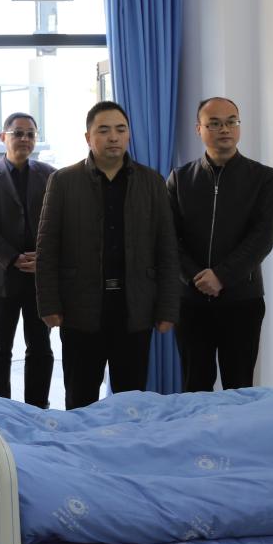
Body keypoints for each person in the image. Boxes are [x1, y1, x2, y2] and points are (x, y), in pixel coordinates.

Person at [36, 101, 179, 410]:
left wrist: (168, 307)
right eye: (103, 130)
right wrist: (49, 304)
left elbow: (167, 248)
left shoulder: (152, 182)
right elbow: (47, 249)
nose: (113, 136)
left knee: (131, 402)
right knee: (80, 399)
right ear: (88, 137)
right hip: (80, 309)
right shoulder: (63, 181)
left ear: (129, 135)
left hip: (135, 308)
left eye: (120, 129)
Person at [167, 97, 273, 391]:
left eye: (232, 122)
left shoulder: (263, 178)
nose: (225, 129)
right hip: (191, 303)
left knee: (239, 388)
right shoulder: (180, 178)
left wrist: (221, 276)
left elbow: (263, 236)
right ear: (199, 129)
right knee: (194, 388)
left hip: (242, 301)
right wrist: (196, 277)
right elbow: (168, 237)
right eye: (215, 123)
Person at [0, 113, 56, 408]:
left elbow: (58, 223)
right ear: (3, 137)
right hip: (2, 275)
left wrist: (43, 257)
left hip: (39, 275)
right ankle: (0, 411)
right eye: (18, 133)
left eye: (31, 134)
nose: (24, 139)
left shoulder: (50, 175)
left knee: (41, 347)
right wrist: (13, 258)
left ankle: (37, 409)